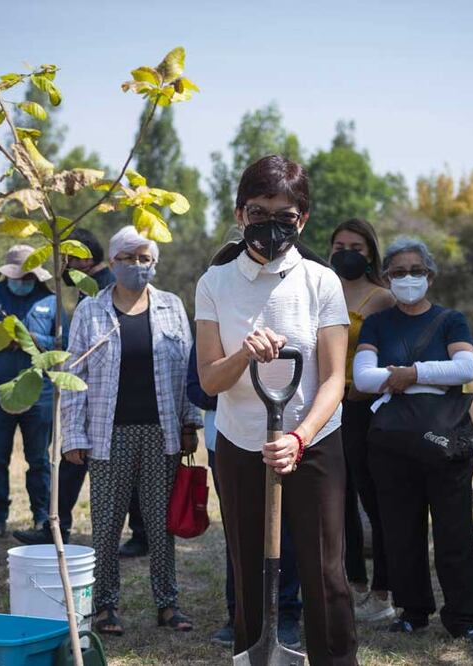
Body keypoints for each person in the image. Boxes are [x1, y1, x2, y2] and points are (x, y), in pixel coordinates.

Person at [196, 155, 357, 665]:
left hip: (312, 443)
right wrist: (244, 352)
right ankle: (255, 654)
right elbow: (209, 379)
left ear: (302, 220)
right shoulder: (214, 284)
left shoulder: (320, 282)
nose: (270, 226)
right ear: (241, 213)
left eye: (284, 216)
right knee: (248, 569)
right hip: (241, 440)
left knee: (325, 571)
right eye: (259, 212)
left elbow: (333, 378)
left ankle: (334, 659)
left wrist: (299, 437)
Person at [62, 225, 201, 635]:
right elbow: (73, 374)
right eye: (128, 258)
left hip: (162, 433)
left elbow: (188, 367)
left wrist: (190, 421)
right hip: (108, 434)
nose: (137, 266)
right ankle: (104, 606)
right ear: (113, 261)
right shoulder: (91, 310)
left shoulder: (172, 307)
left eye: (145, 259)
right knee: (105, 526)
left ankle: (168, 604)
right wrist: (74, 436)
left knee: (161, 525)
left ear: (154, 264)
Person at [352, 236, 473, 646]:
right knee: (399, 529)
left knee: (455, 530)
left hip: (444, 438)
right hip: (392, 443)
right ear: (387, 278)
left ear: (429, 275)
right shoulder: (376, 323)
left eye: (415, 271)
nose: (407, 278)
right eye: (398, 272)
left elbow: (465, 368)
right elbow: (362, 378)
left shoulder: (451, 320)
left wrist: (408, 375)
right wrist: (427, 374)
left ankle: (464, 617)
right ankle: (413, 611)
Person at [16, 226, 150, 556]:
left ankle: (141, 535)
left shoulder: (105, 287)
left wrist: (50, 345)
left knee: (122, 467)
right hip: (88, 395)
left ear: (86, 259)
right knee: (72, 460)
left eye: (70, 259)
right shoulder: (88, 287)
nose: (65, 266)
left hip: (107, 397)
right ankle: (55, 527)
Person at [188, 279, 303, 651]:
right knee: (239, 531)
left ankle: (285, 613)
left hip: (282, 436)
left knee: (282, 530)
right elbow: (198, 384)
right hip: (229, 437)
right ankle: (238, 611)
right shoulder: (217, 316)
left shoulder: (288, 316)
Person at [329, 218, 396, 624]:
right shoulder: (319, 287)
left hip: (363, 406)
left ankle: (383, 590)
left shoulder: (382, 298)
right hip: (325, 406)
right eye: (338, 245)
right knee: (337, 500)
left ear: (370, 251)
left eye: (355, 245)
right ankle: (351, 581)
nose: (346, 252)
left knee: (373, 499)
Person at [0, 245, 65, 540]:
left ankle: (42, 518)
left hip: (39, 392)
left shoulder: (51, 301)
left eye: (28, 276)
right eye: (17, 276)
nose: (22, 281)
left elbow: (61, 346)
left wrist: (27, 338)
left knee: (39, 459)